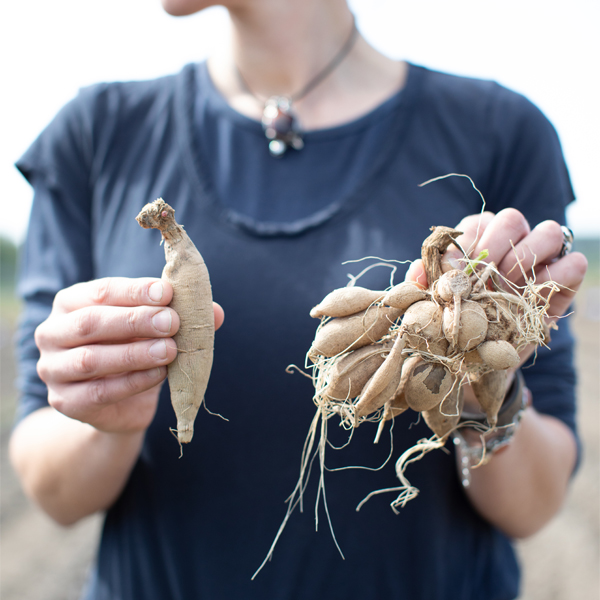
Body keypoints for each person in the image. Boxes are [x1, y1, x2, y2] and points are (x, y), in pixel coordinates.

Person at [9, 0, 588, 598]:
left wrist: (477, 385)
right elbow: (53, 493)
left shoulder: (500, 130)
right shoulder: (97, 132)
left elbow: (535, 506)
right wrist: (109, 422)